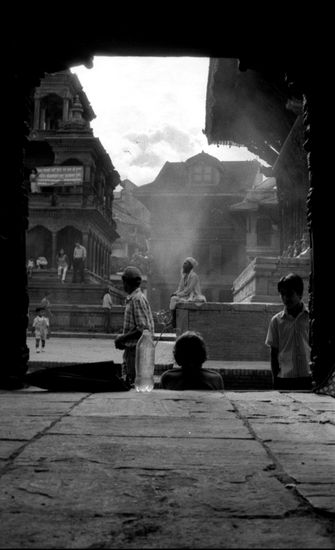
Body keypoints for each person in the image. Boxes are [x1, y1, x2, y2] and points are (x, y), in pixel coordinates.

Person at [265, 272, 312, 390]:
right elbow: (274, 353)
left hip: (308, 377)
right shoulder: (276, 321)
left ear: (300, 294)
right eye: (283, 294)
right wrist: (275, 380)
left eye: (290, 294)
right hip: (285, 378)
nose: (286, 298)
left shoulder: (311, 318)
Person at [114, 266, 155, 387]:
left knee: (133, 383)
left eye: (124, 282)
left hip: (136, 352)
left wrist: (122, 338)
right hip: (131, 350)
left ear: (129, 283)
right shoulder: (135, 299)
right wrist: (124, 339)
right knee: (129, 381)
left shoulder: (137, 299)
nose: (123, 285)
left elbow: (142, 329)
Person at [160, 330, 224, 390]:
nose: (191, 363)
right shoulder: (215, 379)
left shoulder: (168, 378)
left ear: (177, 357)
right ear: (203, 356)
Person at [169, 257, 206, 327]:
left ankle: (174, 320)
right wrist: (175, 293)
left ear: (190, 266)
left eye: (186, 264)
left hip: (194, 296)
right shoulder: (184, 277)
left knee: (177, 299)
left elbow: (189, 290)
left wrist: (178, 294)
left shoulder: (194, 276)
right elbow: (180, 288)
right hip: (186, 296)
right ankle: (173, 319)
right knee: (173, 298)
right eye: (184, 263)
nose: (183, 265)